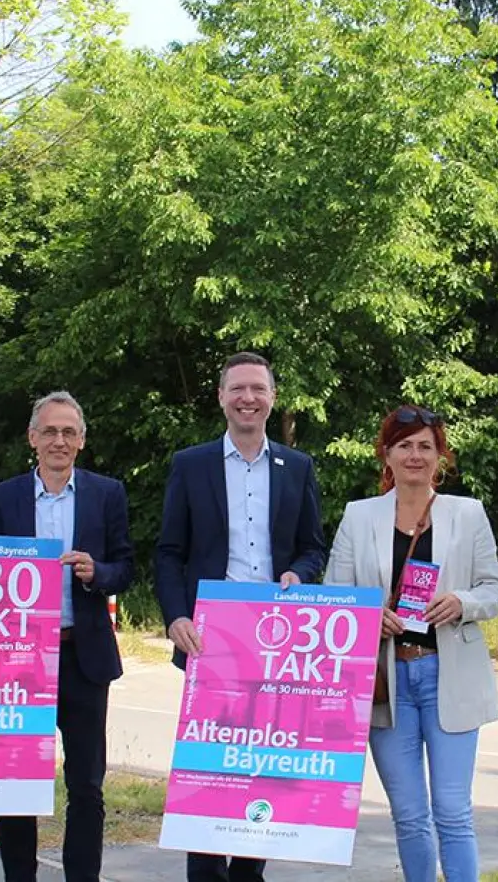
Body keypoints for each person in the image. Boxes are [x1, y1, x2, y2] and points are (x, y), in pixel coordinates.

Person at [154, 351, 328, 882]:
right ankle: (206, 874)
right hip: (211, 639)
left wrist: (300, 573)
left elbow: (312, 547)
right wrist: (175, 617)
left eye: (257, 389)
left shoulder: (298, 467)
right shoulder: (191, 464)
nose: (247, 398)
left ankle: (250, 870)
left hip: (277, 642)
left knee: (264, 767)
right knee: (210, 768)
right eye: (237, 389)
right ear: (221, 397)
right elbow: (169, 552)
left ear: (272, 398)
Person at [325, 405, 498, 882]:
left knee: (452, 811)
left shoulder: (467, 513)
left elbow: (495, 591)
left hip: (450, 674)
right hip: (386, 682)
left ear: (440, 456)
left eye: (426, 446)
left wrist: (463, 601)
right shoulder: (359, 516)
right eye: (404, 445)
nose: (415, 455)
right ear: (386, 454)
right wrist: (369, 617)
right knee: (408, 814)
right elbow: (334, 597)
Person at [0, 392, 134, 882]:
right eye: (50, 431)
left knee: (86, 785)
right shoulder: (2, 498)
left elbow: (126, 567)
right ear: (33, 438)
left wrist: (97, 573)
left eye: (69, 432)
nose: (59, 441)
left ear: (82, 440)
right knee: (16, 784)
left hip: (83, 657)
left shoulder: (107, 493)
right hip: (18, 661)